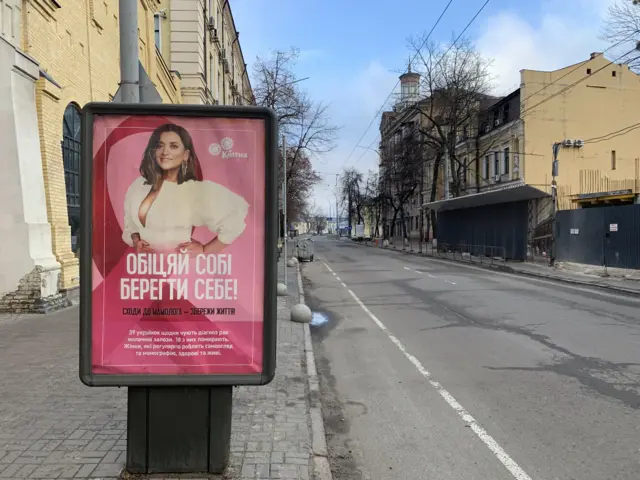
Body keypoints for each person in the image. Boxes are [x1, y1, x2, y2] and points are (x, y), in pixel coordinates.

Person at [121, 123, 249, 255]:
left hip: (180, 270)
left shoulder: (194, 190)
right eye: (160, 146)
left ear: (185, 155)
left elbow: (235, 219)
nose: (165, 152)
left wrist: (204, 250)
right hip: (142, 268)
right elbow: (130, 222)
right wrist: (136, 240)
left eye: (173, 146)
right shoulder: (139, 185)